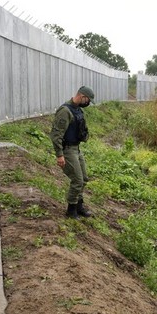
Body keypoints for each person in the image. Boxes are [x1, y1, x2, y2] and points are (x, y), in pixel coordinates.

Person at [49, 86, 95, 219]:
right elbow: (56, 135)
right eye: (88, 100)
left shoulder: (77, 110)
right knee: (77, 180)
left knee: (84, 178)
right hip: (68, 150)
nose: (88, 103)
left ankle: (79, 206)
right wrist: (59, 155)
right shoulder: (65, 111)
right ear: (82, 96)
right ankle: (71, 209)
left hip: (76, 148)